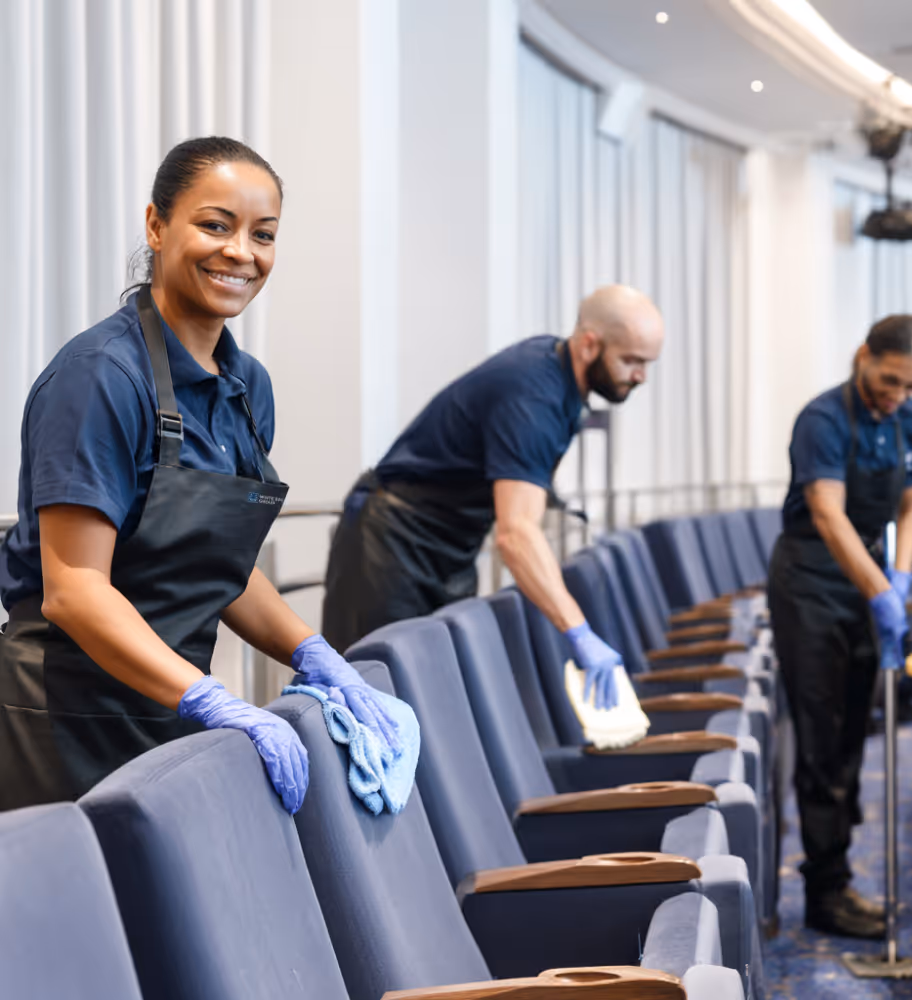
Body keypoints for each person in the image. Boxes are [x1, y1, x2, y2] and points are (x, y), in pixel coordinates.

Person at [0, 137, 397, 815]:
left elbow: (217, 564)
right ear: (157, 226)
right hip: (65, 717)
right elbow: (74, 590)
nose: (241, 251)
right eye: (216, 225)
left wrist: (312, 651)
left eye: (262, 234)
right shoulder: (99, 376)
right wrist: (209, 697)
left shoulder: (246, 387)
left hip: (168, 707)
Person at [323, 286, 664, 710]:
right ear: (590, 343)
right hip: (388, 544)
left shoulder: (559, 379)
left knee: (435, 701)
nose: (640, 376)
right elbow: (517, 534)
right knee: (371, 700)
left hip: (447, 545)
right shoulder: (533, 394)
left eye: (647, 363)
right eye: (631, 361)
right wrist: (578, 631)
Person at [767, 314, 912, 938]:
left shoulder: (910, 421)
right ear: (864, 356)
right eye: (890, 379)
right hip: (812, 580)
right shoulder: (824, 420)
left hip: (871, 577)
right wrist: (882, 591)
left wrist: (904, 577)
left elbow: (910, 506)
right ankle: (824, 891)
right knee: (821, 732)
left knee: (853, 729)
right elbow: (829, 517)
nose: (898, 396)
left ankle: (837, 876)